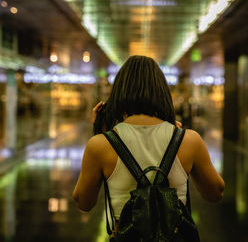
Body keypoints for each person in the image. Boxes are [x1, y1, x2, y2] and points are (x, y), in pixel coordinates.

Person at [72, 55, 225, 236]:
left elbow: (84, 202)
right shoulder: (189, 140)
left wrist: (102, 136)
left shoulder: (100, 145)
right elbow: (215, 192)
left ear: (118, 93)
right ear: (162, 93)